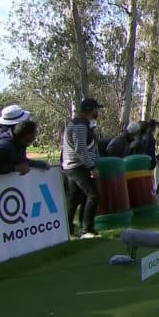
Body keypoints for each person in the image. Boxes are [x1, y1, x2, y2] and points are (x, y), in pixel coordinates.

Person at [62, 98, 103, 239]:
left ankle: (69, 229)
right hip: (77, 166)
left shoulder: (82, 124)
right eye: (96, 109)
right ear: (91, 110)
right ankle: (87, 229)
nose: (98, 112)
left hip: (73, 165)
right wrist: (91, 166)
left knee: (75, 198)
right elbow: (80, 150)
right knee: (93, 194)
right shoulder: (80, 125)